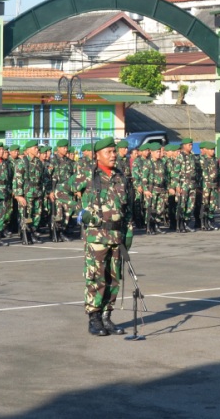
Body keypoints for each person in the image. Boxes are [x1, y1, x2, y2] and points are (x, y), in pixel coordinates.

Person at [80, 136, 133, 337]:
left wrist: (128, 231)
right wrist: (80, 213)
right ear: (97, 155)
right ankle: (93, 318)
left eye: (113, 151)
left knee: (114, 278)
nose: (113, 155)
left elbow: (128, 207)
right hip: (96, 237)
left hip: (116, 235)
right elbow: (62, 193)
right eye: (108, 152)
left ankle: (106, 317)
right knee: (96, 278)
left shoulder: (121, 176)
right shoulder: (87, 175)